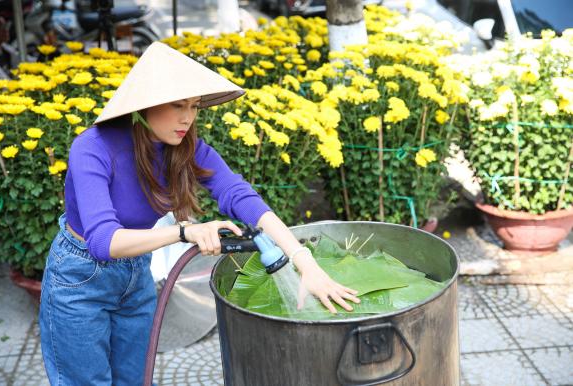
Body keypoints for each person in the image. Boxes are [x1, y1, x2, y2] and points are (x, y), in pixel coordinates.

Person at [38, 41, 360, 385]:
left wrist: (303, 261)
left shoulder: (185, 148)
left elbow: (240, 196)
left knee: (134, 380)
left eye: (193, 106)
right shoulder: (93, 147)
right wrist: (185, 231)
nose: (187, 118)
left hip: (135, 275)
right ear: (144, 105)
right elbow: (104, 241)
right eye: (178, 105)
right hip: (79, 278)